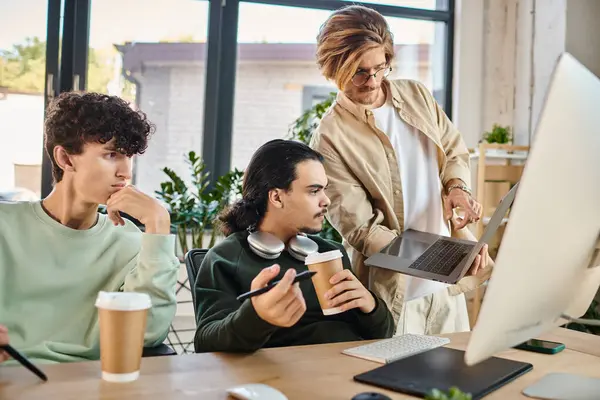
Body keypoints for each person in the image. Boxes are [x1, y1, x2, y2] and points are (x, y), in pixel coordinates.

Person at [310, 5, 493, 335]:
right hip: (396, 298)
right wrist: (445, 258)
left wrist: (457, 189)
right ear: (333, 68)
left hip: (447, 291)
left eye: (381, 68)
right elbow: (363, 230)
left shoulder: (417, 95)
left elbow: (454, 150)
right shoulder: (329, 138)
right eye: (359, 72)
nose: (373, 81)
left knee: (454, 383)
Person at [0, 92, 179, 364]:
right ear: (66, 159)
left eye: (129, 157)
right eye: (111, 154)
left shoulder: (129, 242)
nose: (125, 173)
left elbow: (148, 334)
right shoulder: (5, 225)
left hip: (92, 384)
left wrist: (158, 224)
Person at [193, 139, 394, 353]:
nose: (326, 200)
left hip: (345, 369)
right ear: (277, 197)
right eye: (314, 191)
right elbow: (206, 343)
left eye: (324, 190)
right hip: (283, 376)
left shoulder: (329, 253)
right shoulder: (225, 258)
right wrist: (256, 315)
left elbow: (382, 334)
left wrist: (370, 307)